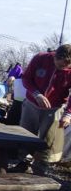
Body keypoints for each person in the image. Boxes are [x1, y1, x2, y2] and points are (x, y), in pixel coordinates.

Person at [20, 44, 71, 173]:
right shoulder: (40, 58)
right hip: (32, 103)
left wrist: (68, 114)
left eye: (65, 67)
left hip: (54, 108)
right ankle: (23, 162)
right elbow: (26, 79)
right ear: (55, 56)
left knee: (49, 138)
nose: (61, 68)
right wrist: (37, 94)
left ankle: (40, 166)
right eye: (59, 65)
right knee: (25, 133)